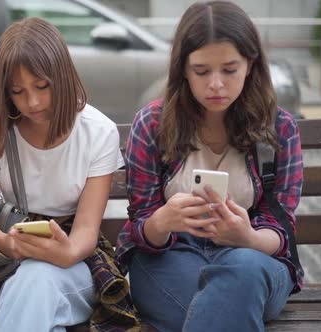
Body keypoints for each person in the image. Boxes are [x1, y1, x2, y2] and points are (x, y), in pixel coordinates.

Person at [115, 1, 304, 331]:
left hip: (254, 260)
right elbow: (141, 225)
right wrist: (163, 220)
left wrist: (248, 237)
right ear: (183, 70)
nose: (216, 84)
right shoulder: (153, 125)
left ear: (250, 65)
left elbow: (280, 226)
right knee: (231, 302)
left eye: (230, 70)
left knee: (241, 273)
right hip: (170, 259)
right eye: (201, 71)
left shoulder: (279, 128)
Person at [0, 17, 139, 332]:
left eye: (42, 86)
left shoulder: (98, 132)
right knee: (34, 299)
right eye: (18, 91)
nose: (32, 102)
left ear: (62, 75)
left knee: (37, 280)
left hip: (74, 263)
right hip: (8, 263)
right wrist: (8, 244)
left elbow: (85, 231)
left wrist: (63, 251)